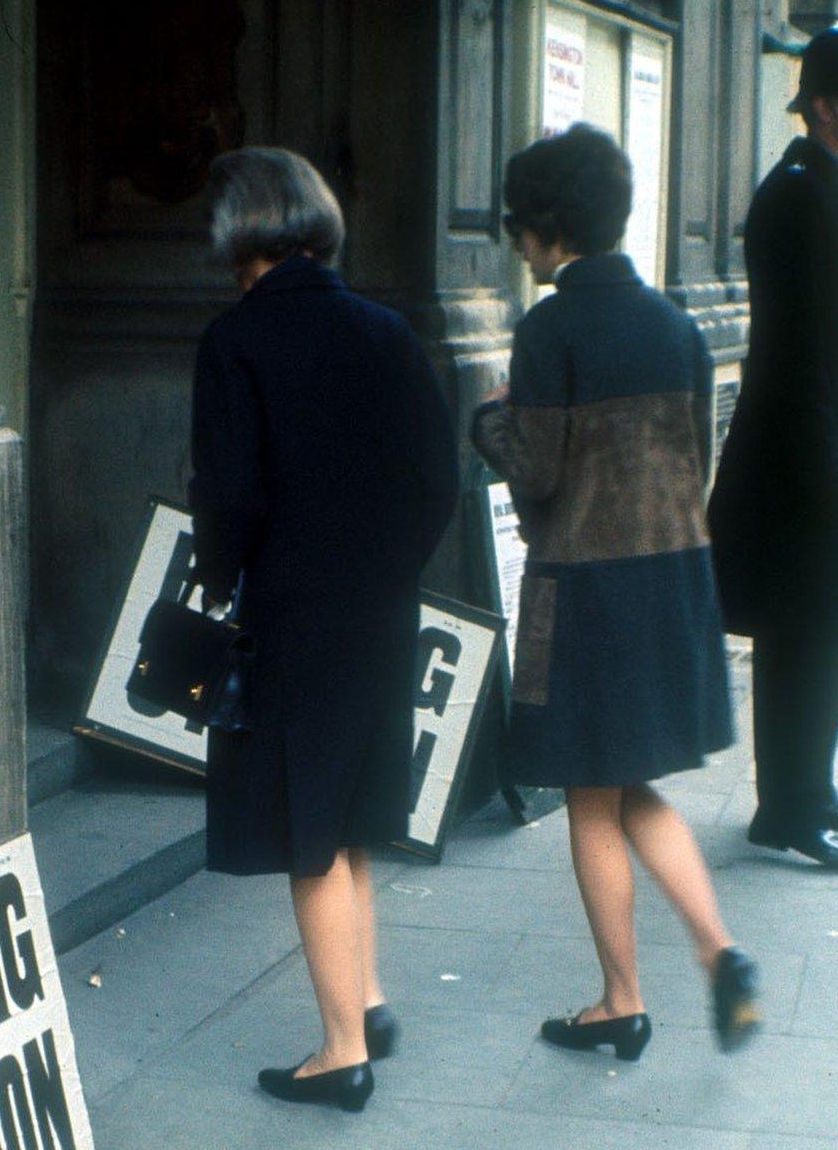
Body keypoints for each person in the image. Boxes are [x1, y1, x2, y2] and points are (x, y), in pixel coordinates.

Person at [470, 123, 760, 1062]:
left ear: (549, 227)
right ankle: (717, 951)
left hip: (585, 595)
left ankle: (622, 1000)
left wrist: (490, 422)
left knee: (590, 801)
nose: (516, 242)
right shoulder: (677, 326)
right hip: (673, 582)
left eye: (518, 224)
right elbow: (694, 459)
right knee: (629, 782)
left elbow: (541, 475)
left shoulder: (550, 327)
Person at [188, 147, 458, 1109]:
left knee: (308, 831)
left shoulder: (235, 343)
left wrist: (220, 579)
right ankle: (371, 999)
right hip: (381, 608)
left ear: (235, 233)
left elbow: (232, 497)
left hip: (292, 614)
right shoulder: (387, 331)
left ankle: (342, 1050)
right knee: (352, 816)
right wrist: (387, 569)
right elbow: (438, 482)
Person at [706, 21, 838, 873]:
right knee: (803, 627)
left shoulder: (822, 182)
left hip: (830, 449)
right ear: (824, 108)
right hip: (804, 459)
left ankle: (807, 789)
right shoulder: (797, 192)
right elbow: (797, 351)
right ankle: (784, 808)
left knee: (826, 625)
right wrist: (830, 471)